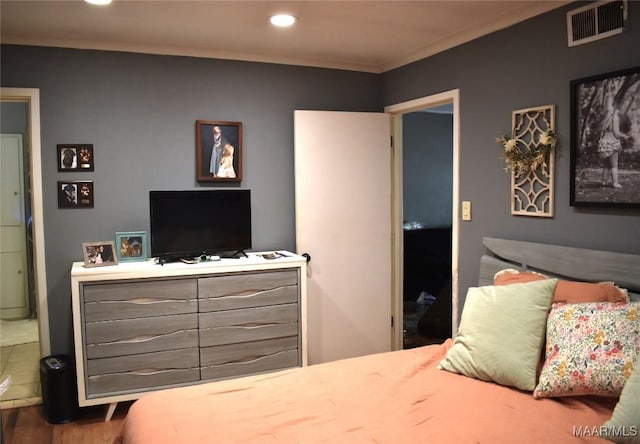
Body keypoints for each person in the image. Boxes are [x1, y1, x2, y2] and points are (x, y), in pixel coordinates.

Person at [598, 94, 625, 188]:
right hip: (612, 141)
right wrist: (624, 136)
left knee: (605, 165)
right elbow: (616, 133)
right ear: (614, 103)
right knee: (614, 165)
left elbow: (601, 130)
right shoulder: (614, 117)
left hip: (604, 141)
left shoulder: (603, 114)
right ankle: (615, 183)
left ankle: (604, 182)